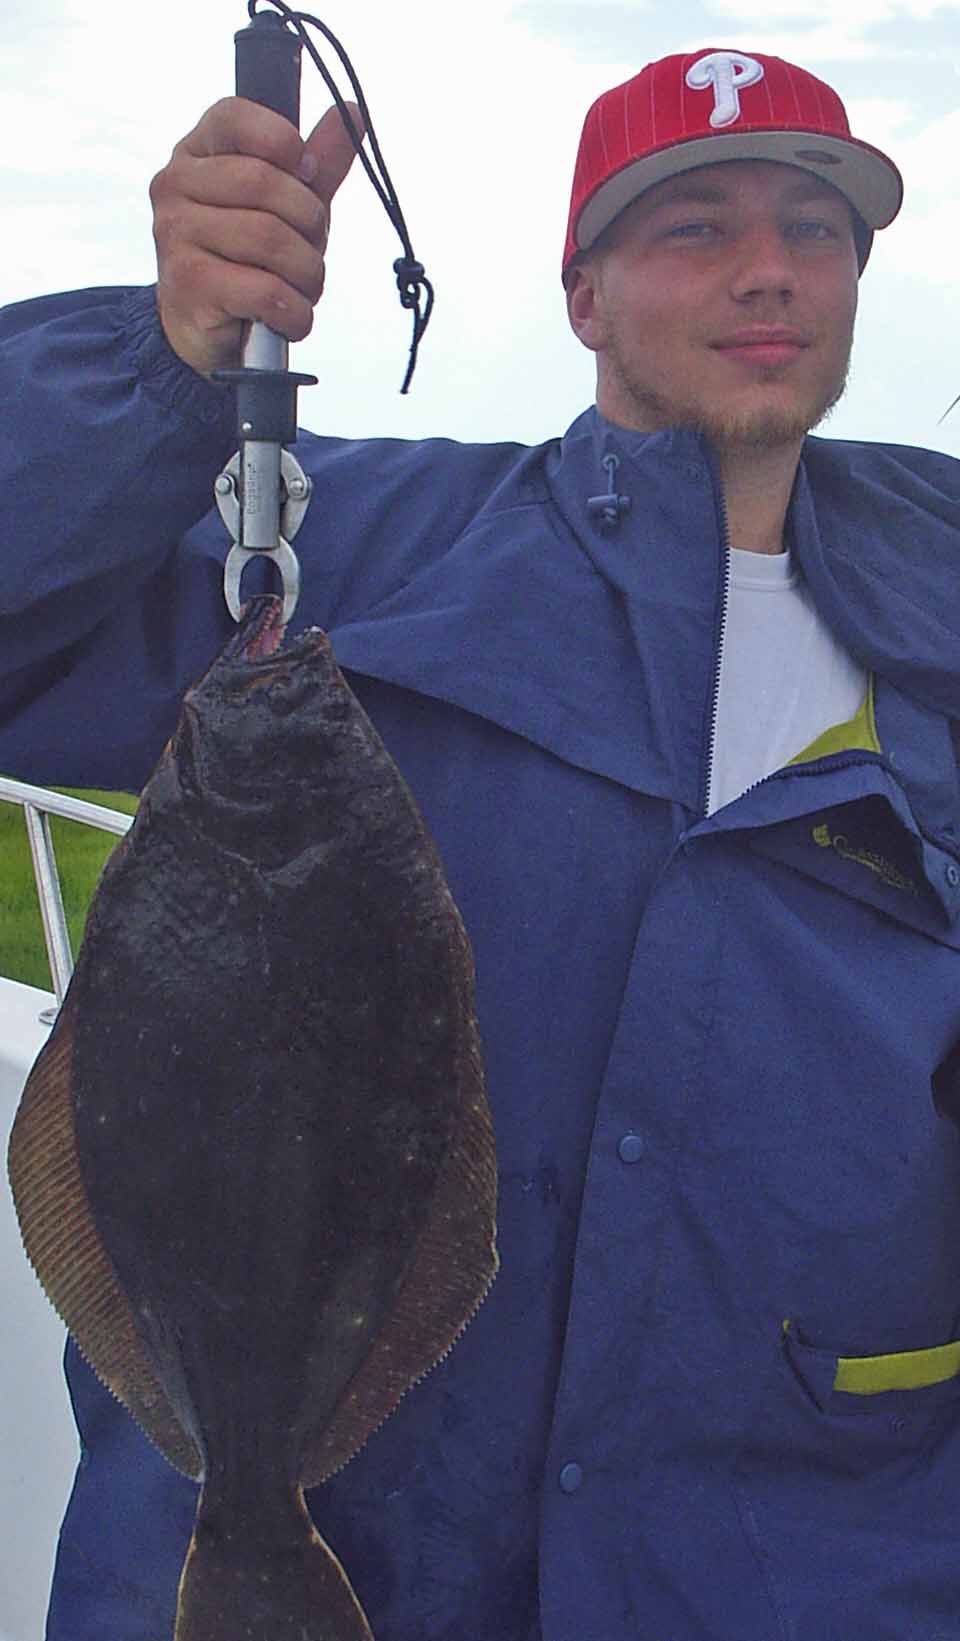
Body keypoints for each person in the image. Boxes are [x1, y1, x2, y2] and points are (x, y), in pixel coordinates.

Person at [3, 44, 960, 1641]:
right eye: (694, 227)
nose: (768, 272)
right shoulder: (348, 551)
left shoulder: (938, 643)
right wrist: (165, 364)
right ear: (581, 295)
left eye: (814, 226)